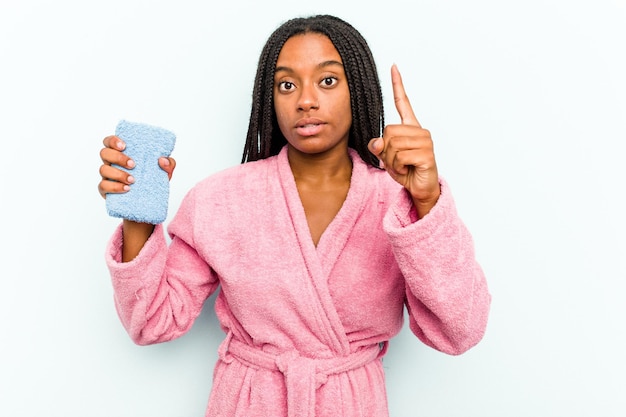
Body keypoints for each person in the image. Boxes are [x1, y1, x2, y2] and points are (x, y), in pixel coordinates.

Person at [98, 14, 490, 417]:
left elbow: (459, 330)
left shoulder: (397, 202)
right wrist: (138, 213)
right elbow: (152, 321)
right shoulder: (221, 198)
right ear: (270, 99)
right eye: (287, 84)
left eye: (327, 81)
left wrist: (425, 202)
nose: (305, 99)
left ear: (357, 89)